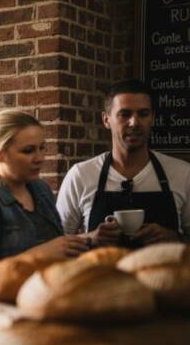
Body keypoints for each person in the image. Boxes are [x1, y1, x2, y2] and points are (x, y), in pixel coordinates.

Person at [0, 109, 89, 290]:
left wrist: (90, 239)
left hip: (39, 297)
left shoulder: (40, 189)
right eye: (28, 150)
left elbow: (56, 247)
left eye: (42, 148)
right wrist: (40, 255)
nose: (40, 158)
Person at [57, 79, 190, 247]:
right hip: (103, 265)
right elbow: (56, 244)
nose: (134, 123)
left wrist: (175, 239)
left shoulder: (182, 173)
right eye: (125, 114)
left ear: (153, 118)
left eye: (143, 114)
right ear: (106, 120)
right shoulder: (81, 175)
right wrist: (91, 238)